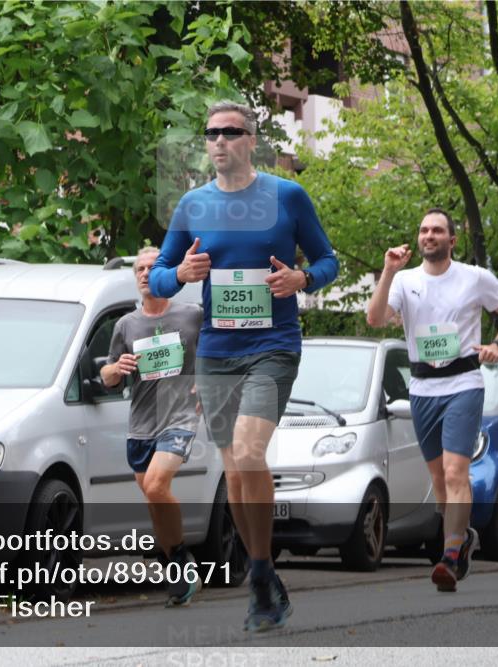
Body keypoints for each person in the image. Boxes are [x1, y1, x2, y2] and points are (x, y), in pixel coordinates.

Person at [148, 101, 338, 631]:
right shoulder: (192, 205)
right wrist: (181, 271)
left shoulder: (286, 196)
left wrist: (303, 281)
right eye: (211, 133)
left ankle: (259, 570)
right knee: (235, 467)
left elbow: (328, 262)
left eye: (231, 132)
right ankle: (261, 571)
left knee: (251, 451)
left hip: (274, 345)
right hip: (217, 351)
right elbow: (159, 278)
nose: (219, 141)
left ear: (252, 140)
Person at [366, 208, 498, 592]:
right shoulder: (404, 280)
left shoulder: (474, 277)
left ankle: (451, 554)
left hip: (464, 382)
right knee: (438, 478)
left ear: (452, 240)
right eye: (423, 230)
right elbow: (375, 318)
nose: (428, 235)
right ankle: (463, 535)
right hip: (422, 388)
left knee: (456, 472)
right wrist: (387, 271)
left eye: (437, 230)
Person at [101, 247, 205, 606]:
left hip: (180, 417)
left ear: (166, 272)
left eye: (152, 268)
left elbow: (221, 352)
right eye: (139, 269)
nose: (145, 274)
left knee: (158, 485)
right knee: (152, 498)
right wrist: (116, 370)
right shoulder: (126, 325)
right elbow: (107, 373)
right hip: (141, 423)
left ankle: (181, 560)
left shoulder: (193, 316)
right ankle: (176, 564)